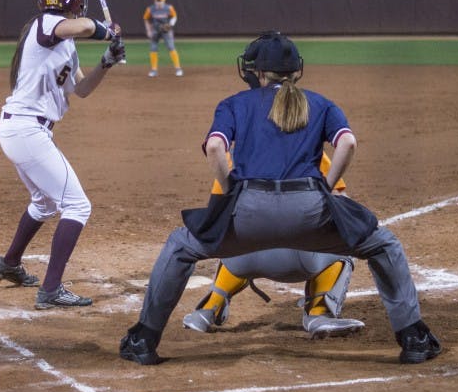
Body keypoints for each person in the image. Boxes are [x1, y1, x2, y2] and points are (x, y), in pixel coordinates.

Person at [119, 32, 441, 366]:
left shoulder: (235, 103)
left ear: (257, 72)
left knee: (180, 246)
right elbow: (348, 143)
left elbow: (216, 147)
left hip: (249, 211)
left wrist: (230, 188)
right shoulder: (319, 102)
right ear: (296, 71)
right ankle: (413, 338)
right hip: (309, 211)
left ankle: (144, 338)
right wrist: (326, 187)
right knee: (383, 244)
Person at [0, 0, 125, 310]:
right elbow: (82, 27)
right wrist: (106, 30)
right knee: (78, 206)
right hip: (26, 130)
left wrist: (106, 62)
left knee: (44, 203)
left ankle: (9, 263)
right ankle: (50, 289)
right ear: (74, 0)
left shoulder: (64, 45)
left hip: (23, 131)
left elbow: (80, 90)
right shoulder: (46, 24)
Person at [182, 152, 364, 339]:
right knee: (345, 242)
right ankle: (319, 313)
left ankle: (208, 309)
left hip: (241, 259)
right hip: (300, 260)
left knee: (231, 231)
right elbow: (343, 202)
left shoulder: (235, 154)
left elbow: (218, 211)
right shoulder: (311, 149)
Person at [143, 0, 183, 77]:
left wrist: (171, 24)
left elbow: (174, 16)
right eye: (157, 1)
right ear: (155, 1)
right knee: (153, 48)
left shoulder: (169, 8)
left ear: (164, 1)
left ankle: (178, 68)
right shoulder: (150, 9)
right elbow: (146, 19)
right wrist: (148, 30)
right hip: (155, 30)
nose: (158, 2)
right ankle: (154, 70)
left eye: (160, 1)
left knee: (171, 47)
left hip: (166, 31)